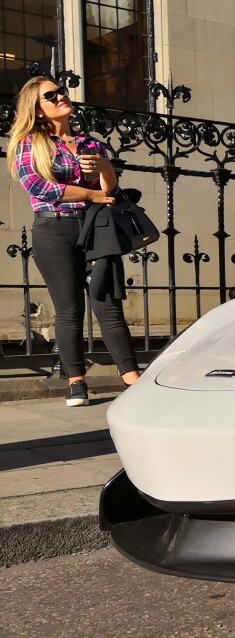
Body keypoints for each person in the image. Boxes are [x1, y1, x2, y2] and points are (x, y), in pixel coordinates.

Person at [8, 76, 140, 406]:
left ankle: (132, 378)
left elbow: (109, 191)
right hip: (54, 230)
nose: (61, 96)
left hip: (96, 227)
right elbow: (41, 188)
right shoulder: (29, 143)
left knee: (108, 303)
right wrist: (90, 193)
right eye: (50, 95)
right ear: (37, 109)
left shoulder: (89, 143)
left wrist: (105, 168)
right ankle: (76, 382)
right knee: (69, 309)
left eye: (61, 91)